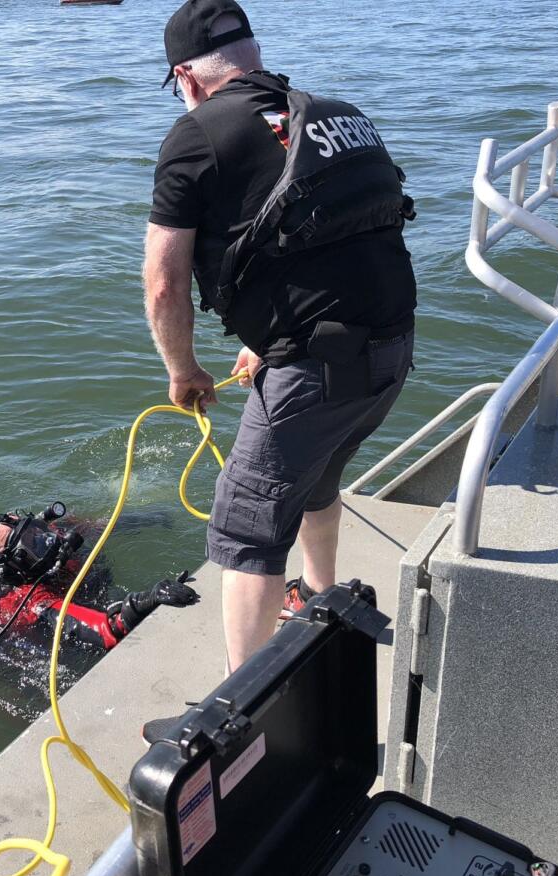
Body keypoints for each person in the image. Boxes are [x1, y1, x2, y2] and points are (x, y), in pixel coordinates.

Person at [143, 0, 417, 674]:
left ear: (186, 77)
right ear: (252, 55)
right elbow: (336, 235)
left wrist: (183, 371)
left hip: (319, 366)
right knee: (318, 482)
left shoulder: (196, 134)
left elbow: (164, 282)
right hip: (392, 347)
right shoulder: (334, 112)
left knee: (244, 534)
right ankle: (321, 597)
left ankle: (246, 703)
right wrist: (267, 342)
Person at [0, 502, 200, 652]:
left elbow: (101, 524)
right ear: (17, 564)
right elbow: (106, 630)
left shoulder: (55, 532)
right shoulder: (28, 601)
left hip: (79, 589)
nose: (46, 538)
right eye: (32, 543)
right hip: (35, 647)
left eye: (35, 530)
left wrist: (151, 518)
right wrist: (149, 599)